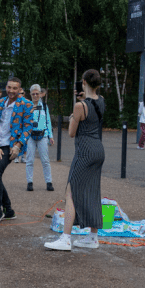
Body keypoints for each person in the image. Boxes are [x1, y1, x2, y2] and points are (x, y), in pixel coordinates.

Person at [46, 69, 105, 251]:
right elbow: (93, 106)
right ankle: (93, 237)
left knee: (71, 192)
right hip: (98, 150)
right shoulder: (102, 100)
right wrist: (83, 97)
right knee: (93, 191)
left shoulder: (80, 106)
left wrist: (73, 114)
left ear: (83, 82)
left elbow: (71, 132)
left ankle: (65, 238)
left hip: (85, 151)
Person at [0, 78, 32, 224]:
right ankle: (9, 210)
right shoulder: (1, 102)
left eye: (15, 88)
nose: (11, 91)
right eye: (9, 87)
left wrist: (18, 145)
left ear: (20, 90)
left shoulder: (26, 104)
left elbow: (28, 127)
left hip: (10, 146)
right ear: (6, 87)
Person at [25, 84, 54, 191]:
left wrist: (51, 136)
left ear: (40, 94)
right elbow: (25, 121)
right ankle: (29, 182)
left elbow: (48, 121)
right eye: (33, 94)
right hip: (30, 136)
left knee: (45, 160)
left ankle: (49, 182)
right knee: (29, 160)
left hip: (43, 135)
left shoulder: (44, 106)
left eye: (37, 93)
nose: (35, 96)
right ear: (30, 94)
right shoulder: (27, 106)